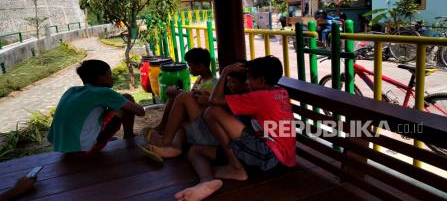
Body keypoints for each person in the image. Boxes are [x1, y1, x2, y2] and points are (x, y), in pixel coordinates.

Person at [175, 56, 296, 201]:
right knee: (194, 151)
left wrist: (225, 72)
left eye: (249, 78)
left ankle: (236, 169)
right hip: (279, 155)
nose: (247, 82)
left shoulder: (260, 97)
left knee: (211, 112)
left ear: (262, 80)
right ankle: (206, 181)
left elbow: (214, 101)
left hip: (270, 155)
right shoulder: (280, 91)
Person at [47, 60, 145, 155]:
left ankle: (93, 138)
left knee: (114, 106)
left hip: (62, 148)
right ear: (100, 77)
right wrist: (130, 103)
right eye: (109, 74)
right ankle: (129, 136)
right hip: (84, 150)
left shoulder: (71, 91)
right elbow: (140, 112)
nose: (113, 77)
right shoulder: (103, 92)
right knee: (126, 98)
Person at [143, 48, 218, 157]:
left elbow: (201, 105)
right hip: (197, 126)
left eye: (190, 65)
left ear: (200, 66)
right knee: (175, 101)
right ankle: (174, 147)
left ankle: (164, 140)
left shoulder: (213, 84)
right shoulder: (200, 80)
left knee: (180, 97)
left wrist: (181, 94)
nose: (188, 68)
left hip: (206, 131)